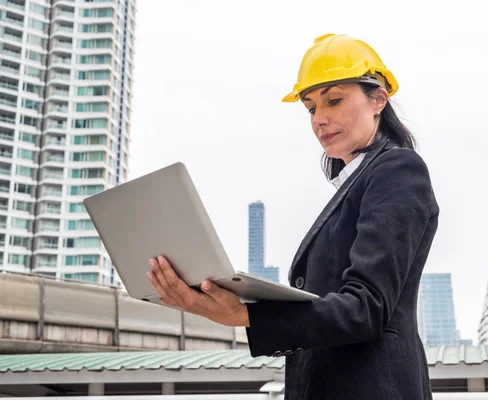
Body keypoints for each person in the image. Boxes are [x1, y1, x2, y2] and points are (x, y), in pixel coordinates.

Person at [147, 33, 439, 400]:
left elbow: (366, 307)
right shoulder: (356, 186)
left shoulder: (397, 170)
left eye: (334, 100)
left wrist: (246, 316)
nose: (320, 119)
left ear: (378, 99)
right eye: (311, 108)